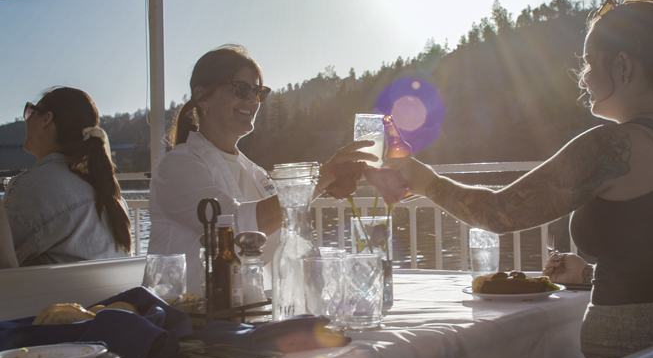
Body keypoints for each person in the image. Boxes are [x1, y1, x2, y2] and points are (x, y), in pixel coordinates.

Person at [386, 0, 653, 358]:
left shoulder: (615, 145)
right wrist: (590, 275)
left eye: (589, 62)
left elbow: (499, 213)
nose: (583, 78)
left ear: (623, 66)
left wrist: (423, 181)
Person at [149, 44, 375, 295]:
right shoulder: (178, 166)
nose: (252, 100)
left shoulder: (254, 173)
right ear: (202, 97)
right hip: (187, 320)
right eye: (241, 88)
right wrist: (321, 178)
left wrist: (328, 184)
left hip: (246, 314)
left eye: (258, 92)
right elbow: (236, 229)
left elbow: (282, 228)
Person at [3, 87, 131, 266]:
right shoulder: (109, 197)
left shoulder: (32, 187)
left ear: (46, 118)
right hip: (112, 294)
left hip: (57, 294)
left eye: (30, 111)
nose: (26, 120)